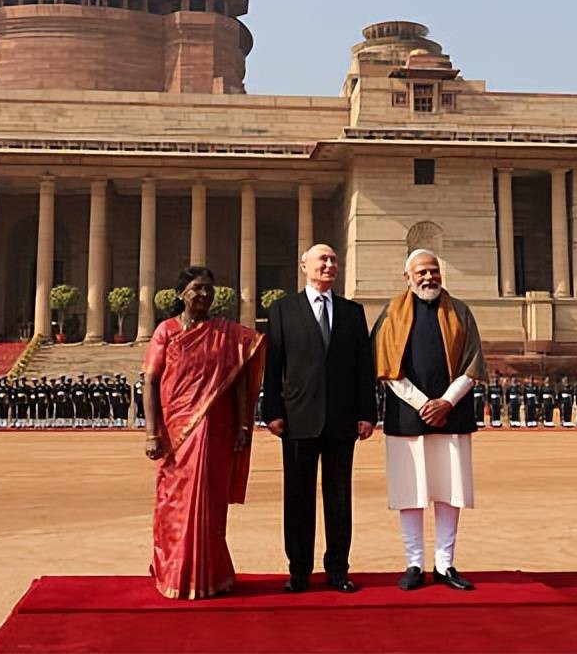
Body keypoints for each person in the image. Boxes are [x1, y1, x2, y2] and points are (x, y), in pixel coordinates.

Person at [143, 265, 265, 599]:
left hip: (217, 433)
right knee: (173, 503)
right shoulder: (165, 332)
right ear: (181, 294)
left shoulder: (227, 336)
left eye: (209, 288)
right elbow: (151, 380)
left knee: (210, 505)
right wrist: (152, 432)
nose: (204, 294)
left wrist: (243, 425)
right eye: (197, 288)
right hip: (176, 433)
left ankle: (210, 574)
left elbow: (239, 380)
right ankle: (173, 570)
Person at [262, 243, 376, 594]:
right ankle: (299, 571)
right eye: (322, 260)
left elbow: (363, 368)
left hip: (342, 418)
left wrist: (367, 413)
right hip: (297, 418)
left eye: (333, 260)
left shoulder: (352, 312)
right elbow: (273, 366)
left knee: (339, 496)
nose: (329, 265)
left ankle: (338, 569)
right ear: (304, 266)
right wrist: (272, 411)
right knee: (297, 497)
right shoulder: (282, 310)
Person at [372, 249, 486, 592]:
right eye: (421, 272)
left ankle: (445, 563)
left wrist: (446, 402)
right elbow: (386, 365)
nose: (428, 278)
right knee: (412, 491)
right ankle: (414, 563)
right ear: (407, 277)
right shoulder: (392, 313)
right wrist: (424, 404)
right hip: (408, 416)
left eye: (433, 271)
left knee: (450, 491)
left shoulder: (460, 312)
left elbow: (473, 364)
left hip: (453, 413)